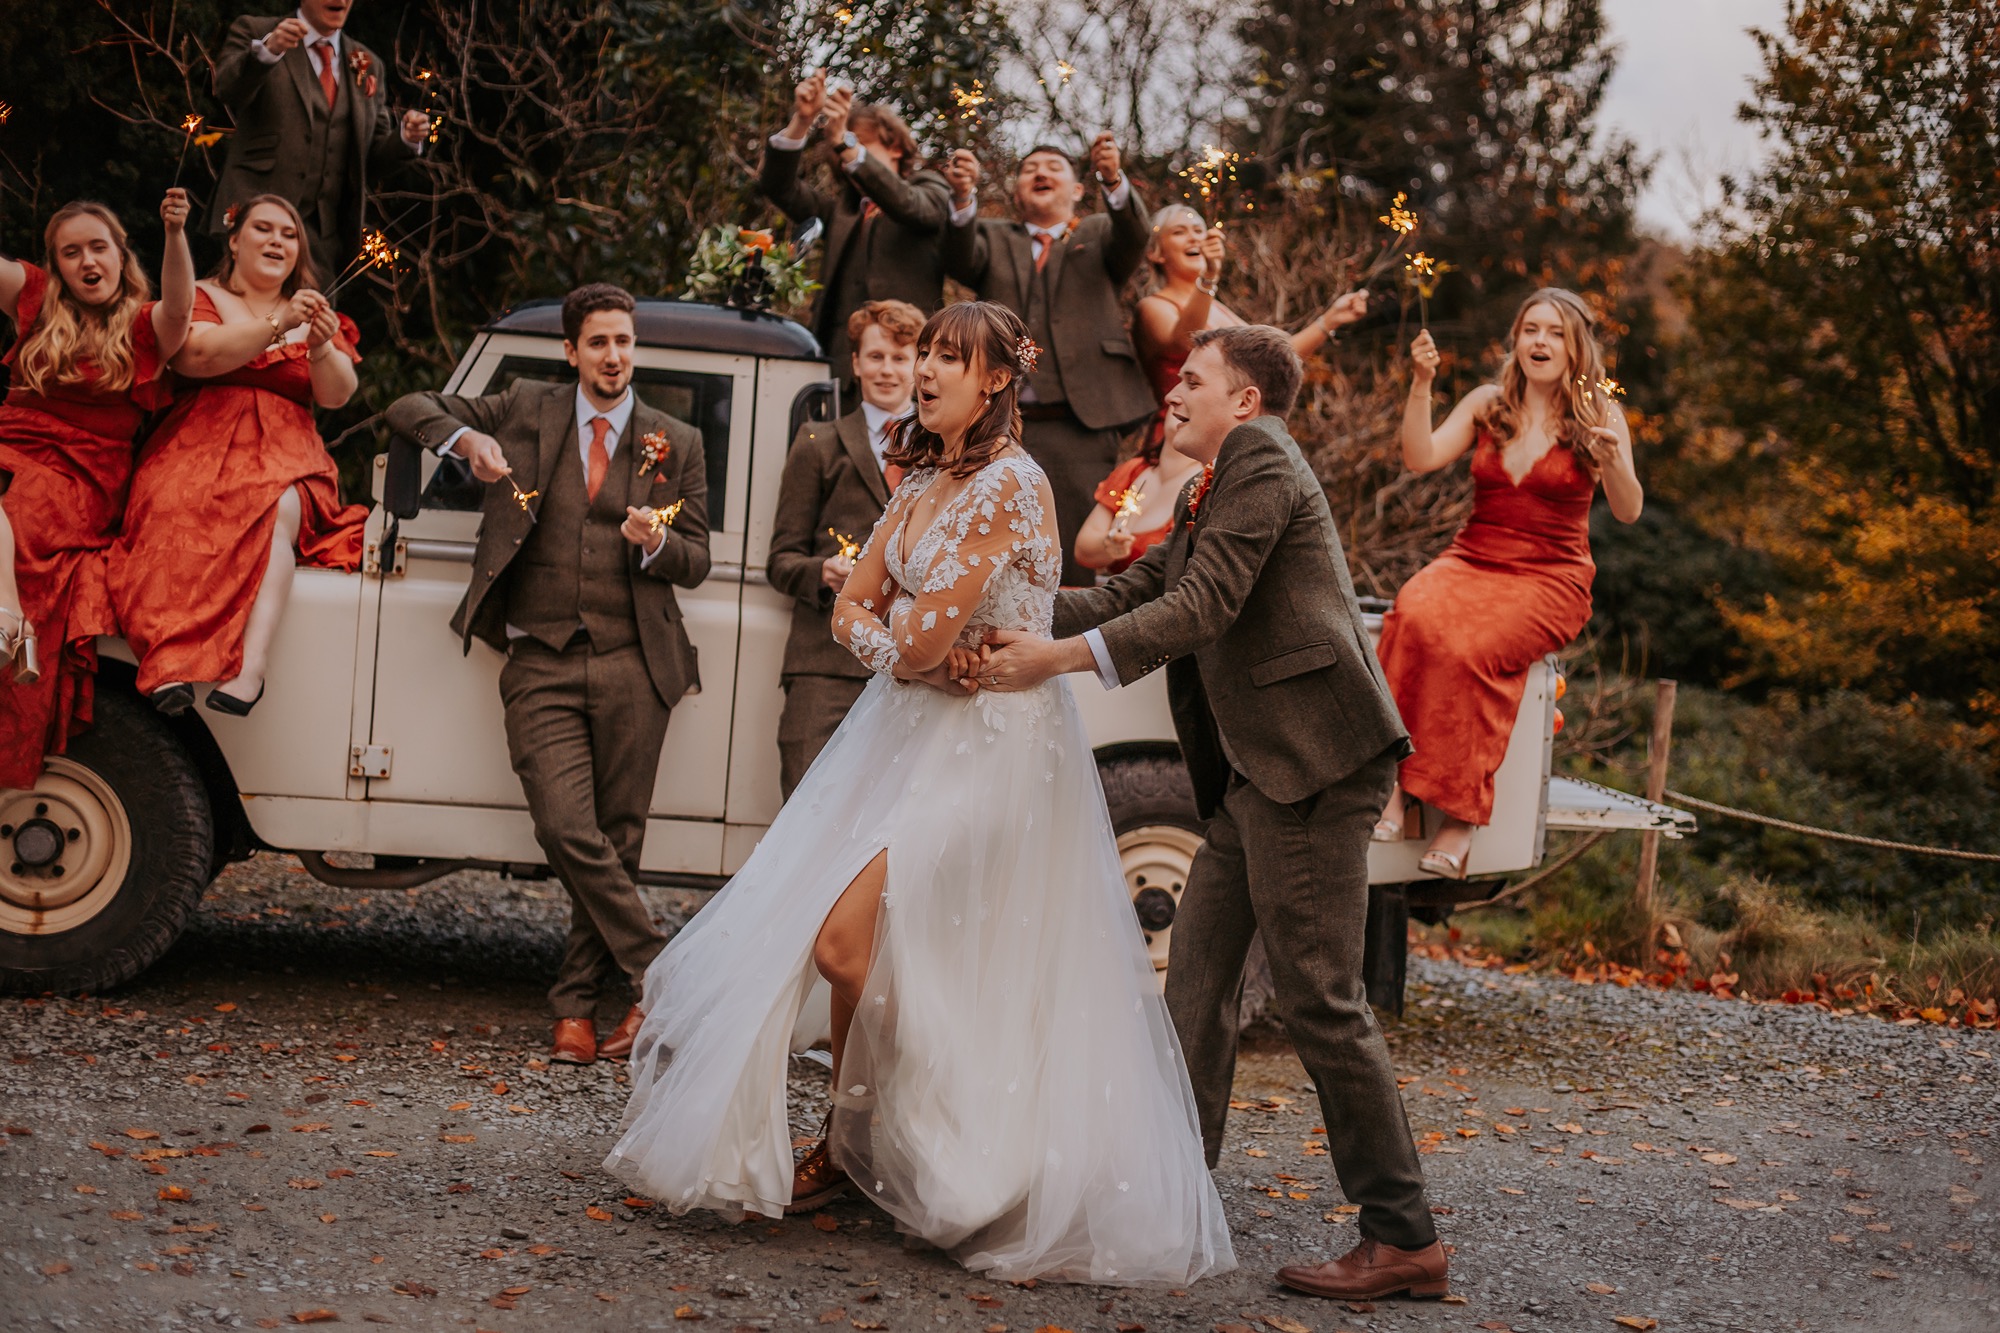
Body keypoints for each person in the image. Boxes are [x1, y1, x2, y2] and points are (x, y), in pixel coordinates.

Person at [605, 302, 1233, 1286]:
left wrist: (901, 648)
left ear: (994, 381)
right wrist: (900, 651)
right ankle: (853, 1144)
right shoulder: (926, 478)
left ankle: (941, 1133)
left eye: (949, 357)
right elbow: (862, 613)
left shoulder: (1010, 489)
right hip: (903, 740)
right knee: (870, 948)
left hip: (991, 751)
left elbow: (910, 638)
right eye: (925, 353)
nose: (927, 370)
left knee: (849, 941)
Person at [976, 326, 1449, 1302]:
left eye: (1191, 379)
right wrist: (1015, 608)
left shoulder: (1263, 460)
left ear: (1245, 399)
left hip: (1312, 763)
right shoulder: (1207, 479)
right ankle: (1171, 1195)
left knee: (1319, 996)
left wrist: (1052, 662)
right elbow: (1140, 585)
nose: (1173, 391)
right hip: (1254, 774)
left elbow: (1200, 606)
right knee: (1193, 981)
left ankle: (1402, 1235)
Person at [385, 283, 710, 1065]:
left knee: (618, 840)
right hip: (540, 657)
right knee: (566, 828)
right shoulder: (525, 406)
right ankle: (664, 977)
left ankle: (577, 1008)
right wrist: (465, 443)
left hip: (638, 660)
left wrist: (653, 545)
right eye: (597, 342)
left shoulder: (678, 439)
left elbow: (695, 559)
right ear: (572, 352)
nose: (613, 356)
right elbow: (408, 405)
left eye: (624, 342)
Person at [1374, 289, 1643, 877]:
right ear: (1516, 340)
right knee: (1410, 615)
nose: (1539, 342)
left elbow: (1627, 511)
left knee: (1473, 649)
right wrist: (1421, 384)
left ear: (1576, 347)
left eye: (1554, 333)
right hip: (1474, 555)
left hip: (1551, 576)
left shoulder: (1599, 415)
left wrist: (1616, 459)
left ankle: (1460, 818)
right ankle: (1393, 787)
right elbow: (1420, 456)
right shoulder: (1487, 403)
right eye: (1529, 330)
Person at [109, 195, 369, 717]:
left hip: (286, 449)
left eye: (289, 234)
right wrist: (278, 324)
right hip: (199, 438)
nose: (278, 241)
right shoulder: (201, 296)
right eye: (264, 229)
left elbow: (339, 393)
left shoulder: (316, 309)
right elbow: (199, 356)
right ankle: (167, 662)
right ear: (234, 240)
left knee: (279, 507)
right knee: (172, 506)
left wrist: (319, 344)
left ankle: (251, 667)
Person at [0, 190, 194, 791]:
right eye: (70, 252)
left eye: (98, 247)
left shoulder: (144, 323)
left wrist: (176, 234)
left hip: (79, 477)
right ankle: (11, 625)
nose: (87, 261)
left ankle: (7, 626)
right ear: (55, 264)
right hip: (13, 448)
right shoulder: (34, 298)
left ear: (119, 253)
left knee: (22, 504)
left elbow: (182, 310)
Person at [941, 137, 1152, 587]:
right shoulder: (993, 236)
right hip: (999, 419)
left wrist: (1113, 179)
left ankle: (1065, 653)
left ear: (1078, 189)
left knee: (1072, 544)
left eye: (1054, 166)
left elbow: (1135, 235)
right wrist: (962, 198)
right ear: (1016, 192)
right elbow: (958, 257)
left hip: (1081, 421)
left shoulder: (1098, 232)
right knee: (992, 535)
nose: (1041, 172)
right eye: (1030, 167)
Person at [766, 298, 920, 798]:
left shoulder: (945, 452)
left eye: (901, 357)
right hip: (824, 665)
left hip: (911, 665)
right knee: (806, 807)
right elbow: (781, 559)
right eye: (875, 357)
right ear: (855, 363)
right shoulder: (818, 443)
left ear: (920, 365)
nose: (887, 370)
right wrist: (822, 572)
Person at [757, 68, 950, 394]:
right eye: (842, 148)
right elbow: (778, 186)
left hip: (908, 367)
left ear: (896, 147)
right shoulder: (839, 209)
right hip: (840, 368)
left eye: (861, 144)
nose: (846, 152)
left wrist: (843, 139)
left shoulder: (928, 188)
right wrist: (802, 121)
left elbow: (913, 207)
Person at [209, 1, 431, 279]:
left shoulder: (368, 63)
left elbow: (368, 160)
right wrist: (268, 51)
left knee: (314, 321)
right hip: (253, 223)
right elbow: (226, 88)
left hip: (323, 239)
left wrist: (405, 139)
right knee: (246, 316)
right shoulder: (258, 31)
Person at [1134, 204, 1369, 442]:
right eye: (1179, 232)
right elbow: (1187, 341)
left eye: (1198, 230)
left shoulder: (1218, 309)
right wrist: (1209, 277)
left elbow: (1271, 358)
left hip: (1230, 434)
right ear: (1156, 252)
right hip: (1184, 435)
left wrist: (1329, 320)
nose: (1194, 237)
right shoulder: (1153, 306)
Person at [1071, 408, 1204, 577]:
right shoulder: (1135, 469)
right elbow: (1083, 550)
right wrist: (1109, 545)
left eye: (1194, 386)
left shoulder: (1204, 485)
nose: (1174, 397)